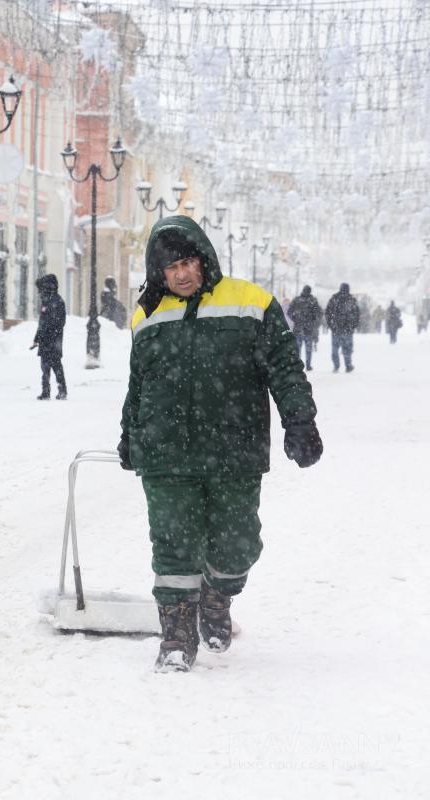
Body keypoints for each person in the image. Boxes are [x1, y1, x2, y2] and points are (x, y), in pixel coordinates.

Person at [118, 216, 321, 673]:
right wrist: (129, 432)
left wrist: (300, 420)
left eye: (189, 262)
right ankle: (176, 635)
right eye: (172, 267)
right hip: (166, 454)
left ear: (204, 259)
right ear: (158, 271)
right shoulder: (146, 314)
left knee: (238, 545)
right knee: (172, 545)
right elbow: (138, 384)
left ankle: (216, 597)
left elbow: (285, 368)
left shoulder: (251, 302)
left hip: (234, 450)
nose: (183, 274)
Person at [31, 273, 67, 400]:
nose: (39, 292)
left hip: (53, 340)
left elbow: (60, 323)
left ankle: (62, 391)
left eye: (41, 289)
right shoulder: (45, 302)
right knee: (45, 367)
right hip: (45, 341)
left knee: (56, 365)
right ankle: (45, 391)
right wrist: (37, 339)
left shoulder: (58, 302)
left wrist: (49, 333)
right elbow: (42, 323)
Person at [324, 283, 360, 372]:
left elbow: (327, 312)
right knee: (347, 348)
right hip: (348, 328)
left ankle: (336, 366)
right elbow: (357, 314)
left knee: (335, 348)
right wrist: (354, 326)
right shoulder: (351, 299)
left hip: (336, 328)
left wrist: (331, 325)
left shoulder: (334, 299)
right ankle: (348, 366)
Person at [287, 285, 322, 370]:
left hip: (298, 328)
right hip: (308, 329)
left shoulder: (297, 300)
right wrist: (313, 321)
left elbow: (289, 312)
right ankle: (308, 365)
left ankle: (297, 365)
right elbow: (318, 313)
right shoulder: (313, 301)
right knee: (308, 349)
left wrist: (295, 318)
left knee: (298, 349)